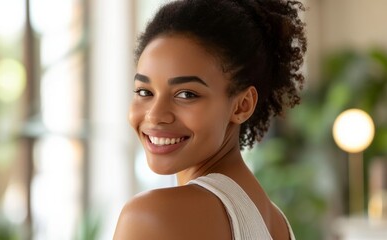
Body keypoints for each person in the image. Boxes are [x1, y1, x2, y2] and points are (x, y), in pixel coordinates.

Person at [113, 0, 306, 239]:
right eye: (145, 92)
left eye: (186, 94)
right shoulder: (275, 220)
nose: (155, 114)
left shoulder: (152, 216)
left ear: (242, 105)